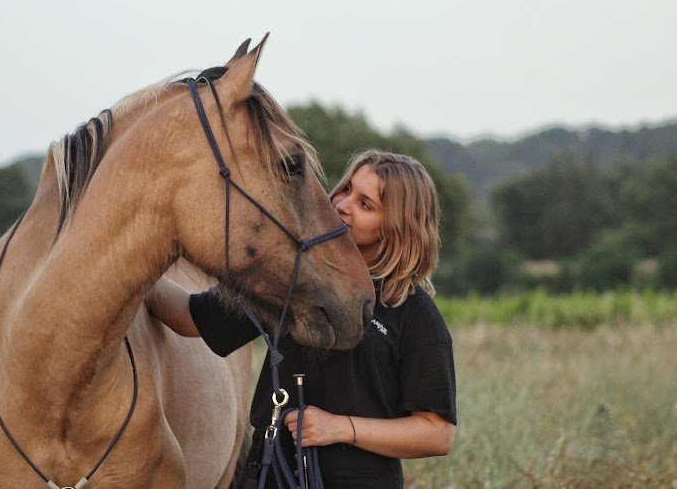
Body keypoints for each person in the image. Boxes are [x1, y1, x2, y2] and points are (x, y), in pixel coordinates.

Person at [147, 150, 456, 488]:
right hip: (268, 476)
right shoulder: (289, 280)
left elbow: (437, 433)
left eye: (365, 204)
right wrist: (127, 273)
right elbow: (190, 317)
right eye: (346, 189)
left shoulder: (415, 314)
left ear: (397, 227)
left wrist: (340, 428)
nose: (342, 204)